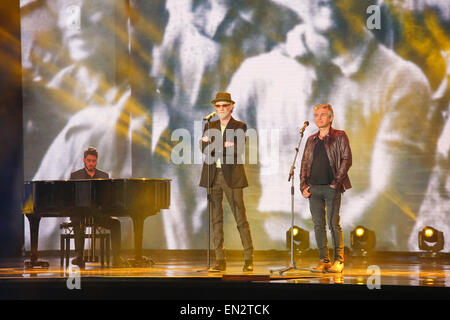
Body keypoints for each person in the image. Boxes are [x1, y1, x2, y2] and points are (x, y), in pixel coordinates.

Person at [199, 92, 254, 272]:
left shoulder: (239, 126)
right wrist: (223, 144)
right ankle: (219, 259)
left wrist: (215, 144)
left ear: (231, 107)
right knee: (216, 219)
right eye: (218, 106)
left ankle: (248, 258)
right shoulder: (210, 125)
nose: (221, 109)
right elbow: (204, 149)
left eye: (224, 106)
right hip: (213, 175)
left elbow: (236, 149)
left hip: (232, 176)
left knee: (241, 218)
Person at [300, 104, 352, 273]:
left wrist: (336, 183)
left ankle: (339, 260)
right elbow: (304, 163)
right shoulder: (310, 140)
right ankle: (324, 260)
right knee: (318, 225)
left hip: (332, 187)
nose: (319, 118)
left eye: (323, 115)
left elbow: (346, 159)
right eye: (316, 115)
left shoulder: (340, 136)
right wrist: (303, 186)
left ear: (331, 117)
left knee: (333, 224)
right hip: (314, 188)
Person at [70, 147, 124, 268]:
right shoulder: (75, 175)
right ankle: (79, 256)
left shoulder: (103, 175)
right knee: (78, 223)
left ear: (96, 161)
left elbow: (108, 197)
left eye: (93, 161)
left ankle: (116, 257)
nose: (91, 163)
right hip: (81, 213)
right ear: (84, 160)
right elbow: (71, 197)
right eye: (89, 160)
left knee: (116, 224)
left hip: (98, 214)